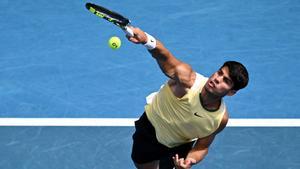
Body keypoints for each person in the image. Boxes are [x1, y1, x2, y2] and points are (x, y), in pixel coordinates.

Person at [126, 26, 249, 169]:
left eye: (225, 81)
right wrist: (147, 39)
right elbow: (165, 57)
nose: (217, 79)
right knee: (143, 165)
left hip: (178, 147)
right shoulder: (188, 81)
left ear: (231, 92)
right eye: (219, 73)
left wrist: (190, 161)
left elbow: (202, 146)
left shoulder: (220, 119)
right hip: (150, 129)